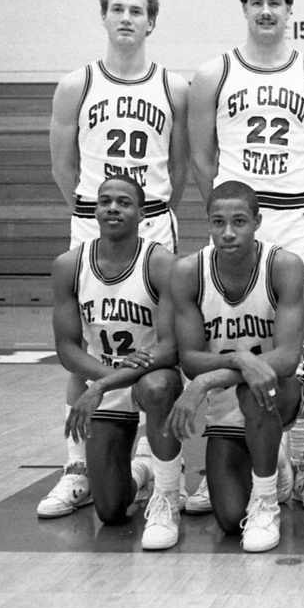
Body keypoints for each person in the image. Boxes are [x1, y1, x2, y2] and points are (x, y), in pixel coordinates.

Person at [187, 0, 304, 513]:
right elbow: (203, 158)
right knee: (221, 339)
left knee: (296, 350)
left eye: (277, 1)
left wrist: (291, 202)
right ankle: (222, 460)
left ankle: (302, 463)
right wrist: (235, 212)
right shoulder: (214, 75)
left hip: (295, 217)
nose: (267, 11)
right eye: (257, 2)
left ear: (290, 7)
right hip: (236, 218)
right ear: (244, 8)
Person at [42, 0, 189, 520]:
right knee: (84, 338)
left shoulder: (174, 88)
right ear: (104, 18)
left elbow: (176, 167)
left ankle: (154, 459)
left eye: (137, 11)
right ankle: (76, 467)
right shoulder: (75, 85)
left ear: (151, 22)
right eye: (117, 10)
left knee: (160, 339)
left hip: (152, 224)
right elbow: (63, 165)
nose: (126, 18)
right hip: (93, 220)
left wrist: (142, 212)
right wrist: (96, 215)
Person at [167, 181, 304, 553]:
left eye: (239, 221)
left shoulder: (283, 265)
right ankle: (272, 458)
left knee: (254, 391)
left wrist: (208, 379)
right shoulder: (187, 272)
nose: (228, 233)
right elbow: (190, 357)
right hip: (225, 402)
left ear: (258, 221)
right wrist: (237, 359)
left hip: (280, 388)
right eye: (218, 223)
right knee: (229, 520)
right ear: (208, 224)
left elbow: (288, 357)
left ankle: (265, 502)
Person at [50, 176, 184, 550]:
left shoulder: (161, 263)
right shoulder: (68, 265)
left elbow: (172, 348)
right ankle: (142, 469)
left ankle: (168, 496)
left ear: (142, 213)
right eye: (105, 201)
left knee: (157, 387)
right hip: (105, 378)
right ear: (94, 209)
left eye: (124, 202)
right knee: (110, 510)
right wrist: (109, 379)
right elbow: (67, 348)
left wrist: (108, 382)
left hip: (151, 377)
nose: (112, 208)